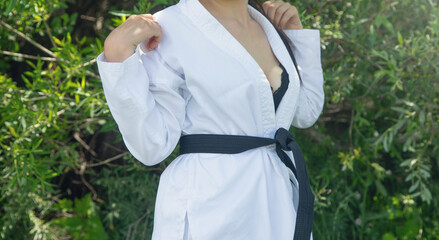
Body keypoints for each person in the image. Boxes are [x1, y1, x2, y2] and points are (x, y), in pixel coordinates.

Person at [97, 0, 324, 238]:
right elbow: (151, 145)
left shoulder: (266, 25)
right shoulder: (169, 28)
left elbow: (305, 111)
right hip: (211, 205)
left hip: (277, 199)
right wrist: (117, 54)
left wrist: (295, 37)